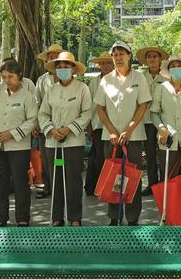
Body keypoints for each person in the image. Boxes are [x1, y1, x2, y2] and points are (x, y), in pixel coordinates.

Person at [95, 41, 151, 226]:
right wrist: (112, 131)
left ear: (129, 56)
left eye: (122, 54)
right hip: (110, 138)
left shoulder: (139, 78)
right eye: (115, 55)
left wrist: (129, 129)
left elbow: (143, 105)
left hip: (133, 137)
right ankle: (114, 217)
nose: (118, 58)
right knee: (112, 177)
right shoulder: (106, 80)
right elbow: (100, 108)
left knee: (133, 178)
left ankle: (133, 218)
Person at [38, 52, 92, 226]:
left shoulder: (82, 88)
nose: (62, 70)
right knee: (56, 179)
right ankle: (56, 217)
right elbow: (43, 113)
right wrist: (51, 130)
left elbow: (87, 113)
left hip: (73, 143)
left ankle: (75, 217)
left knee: (73, 180)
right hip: (53, 144)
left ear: (73, 69)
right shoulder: (51, 90)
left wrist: (69, 129)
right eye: (59, 67)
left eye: (66, 67)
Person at [0, 61, 38, 226]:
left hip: (19, 147)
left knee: (21, 183)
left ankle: (22, 218)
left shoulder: (28, 97)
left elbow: (32, 121)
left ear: (19, 75)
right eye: (4, 77)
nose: (7, 80)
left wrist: (12, 134)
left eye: (11, 76)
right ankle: (0, 218)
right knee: (0, 183)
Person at [135, 46, 169, 196]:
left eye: (155, 56)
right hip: (147, 120)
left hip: (164, 120)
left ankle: (164, 183)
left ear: (160, 59)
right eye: (149, 57)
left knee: (163, 152)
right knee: (149, 153)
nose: (152, 59)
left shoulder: (167, 76)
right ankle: (152, 184)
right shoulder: (140, 77)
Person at [34, 43, 63, 199]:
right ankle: (47, 185)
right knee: (46, 158)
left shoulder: (69, 78)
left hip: (64, 127)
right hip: (46, 125)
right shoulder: (42, 80)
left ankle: (61, 186)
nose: (53, 59)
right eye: (50, 57)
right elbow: (36, 102)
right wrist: (37, 123)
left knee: (60, 159)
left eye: (56, 56)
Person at [84, 52, 114, 196]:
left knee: (112, 158)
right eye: (103, 63)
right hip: (98, 125)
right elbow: (88, 106)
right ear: (98, 65)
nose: (106, 66)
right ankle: (97, 187)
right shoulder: (94, 82)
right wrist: (89, 126)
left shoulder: (119, 80)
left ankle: (110, 187)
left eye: (108, 62)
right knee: (98, 158)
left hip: (115, 126)